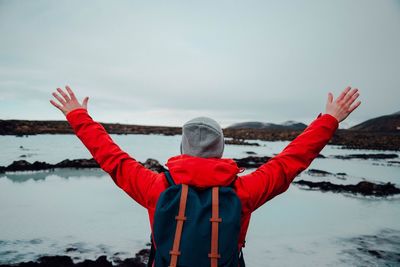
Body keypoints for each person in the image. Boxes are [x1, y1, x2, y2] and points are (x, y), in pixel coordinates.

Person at [50, 86, 361, 265]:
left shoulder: (156, 188)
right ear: (221, 150)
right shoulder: (243, 192)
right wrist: (330, 120)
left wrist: (78, 116)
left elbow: (111, 157)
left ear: (182, 147)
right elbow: (289, 162)